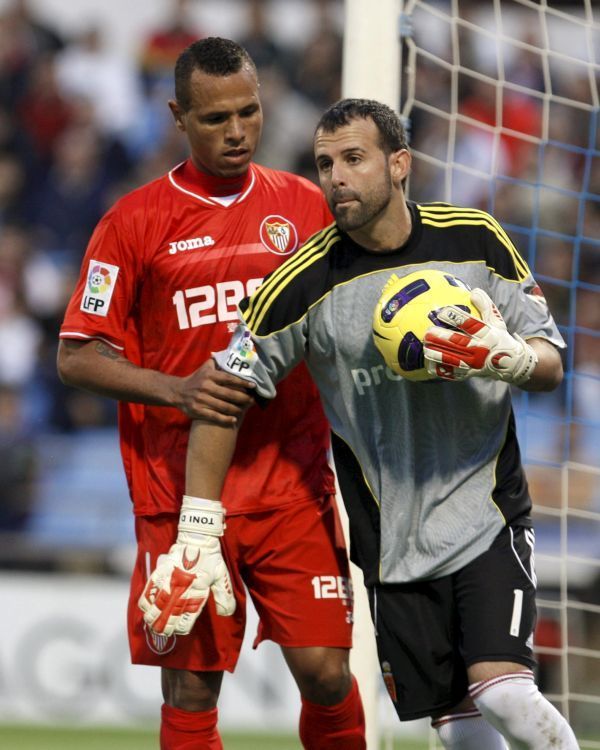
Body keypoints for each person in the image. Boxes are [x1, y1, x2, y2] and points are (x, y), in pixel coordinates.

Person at [161, 98, 581, 750]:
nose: (335, 177)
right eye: (325, 163)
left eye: (353, 159)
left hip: (487, 512)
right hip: (391, 543)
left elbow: (552, 362)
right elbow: (223, 393)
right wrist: (197, 526)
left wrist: (516, 358)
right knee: (460, 730)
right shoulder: (298, 284)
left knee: (503, 691)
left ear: (400, 164)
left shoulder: (473, 238)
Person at [57, 38, 365, 750]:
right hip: (180, 492)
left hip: (291, 482)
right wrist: (178, 389)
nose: (236, 132)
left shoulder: (303, 206)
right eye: (216, 118)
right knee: (192, 687)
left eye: (249, 113)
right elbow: (77, 357)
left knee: (326, 673)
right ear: (177, 116)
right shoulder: (132, 222)